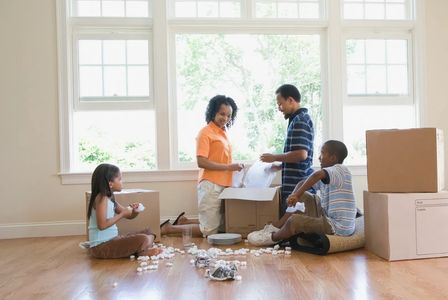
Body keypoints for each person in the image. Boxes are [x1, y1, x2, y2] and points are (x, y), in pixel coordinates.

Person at [161, 95, 243, 238]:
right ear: (213, 112)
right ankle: (169, 228)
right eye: (222, 114)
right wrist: (229, 167)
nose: (225, 118)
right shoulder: (205, 133)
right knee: (209, 231)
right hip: (211, 184)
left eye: (229, 115)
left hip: (224, 184)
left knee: (220, 223)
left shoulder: (223, 133)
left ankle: (184, 221)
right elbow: (201, 162)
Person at [248, 140, 356, 246]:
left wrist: (296, 195)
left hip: (337, 227)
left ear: (333, 158)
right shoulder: (328, 174)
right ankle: (279, 226)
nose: (319, 157)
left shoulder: (341, 170)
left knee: (294, 221)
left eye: (322, 153)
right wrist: (293, 196)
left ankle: (272, 237)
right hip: (327, 218)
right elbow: (302, 183)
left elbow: (316, 175)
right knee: (304, 195)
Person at [260, 84, 314, 217]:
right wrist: (280, 166)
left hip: (297, 184)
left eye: (280, 104)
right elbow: (298, 156)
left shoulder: (300, 120)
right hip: (295, 182)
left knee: (294, 224)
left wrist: (274, 157)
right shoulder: (297, 119)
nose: (279, 108)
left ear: (290, 100)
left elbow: (301, 154)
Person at [85, 163, 161, 258]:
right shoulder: (101, 198)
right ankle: (142, 251)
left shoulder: (109, 198)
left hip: (113, 240)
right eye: (119, 179)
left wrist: (134, 211)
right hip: (101, 247)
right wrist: (122, 214)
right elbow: (102, 225)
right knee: (144, 238)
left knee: (148, 232)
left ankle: (140, 247)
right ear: (110, 183)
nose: (122, 182)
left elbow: (128, 215)